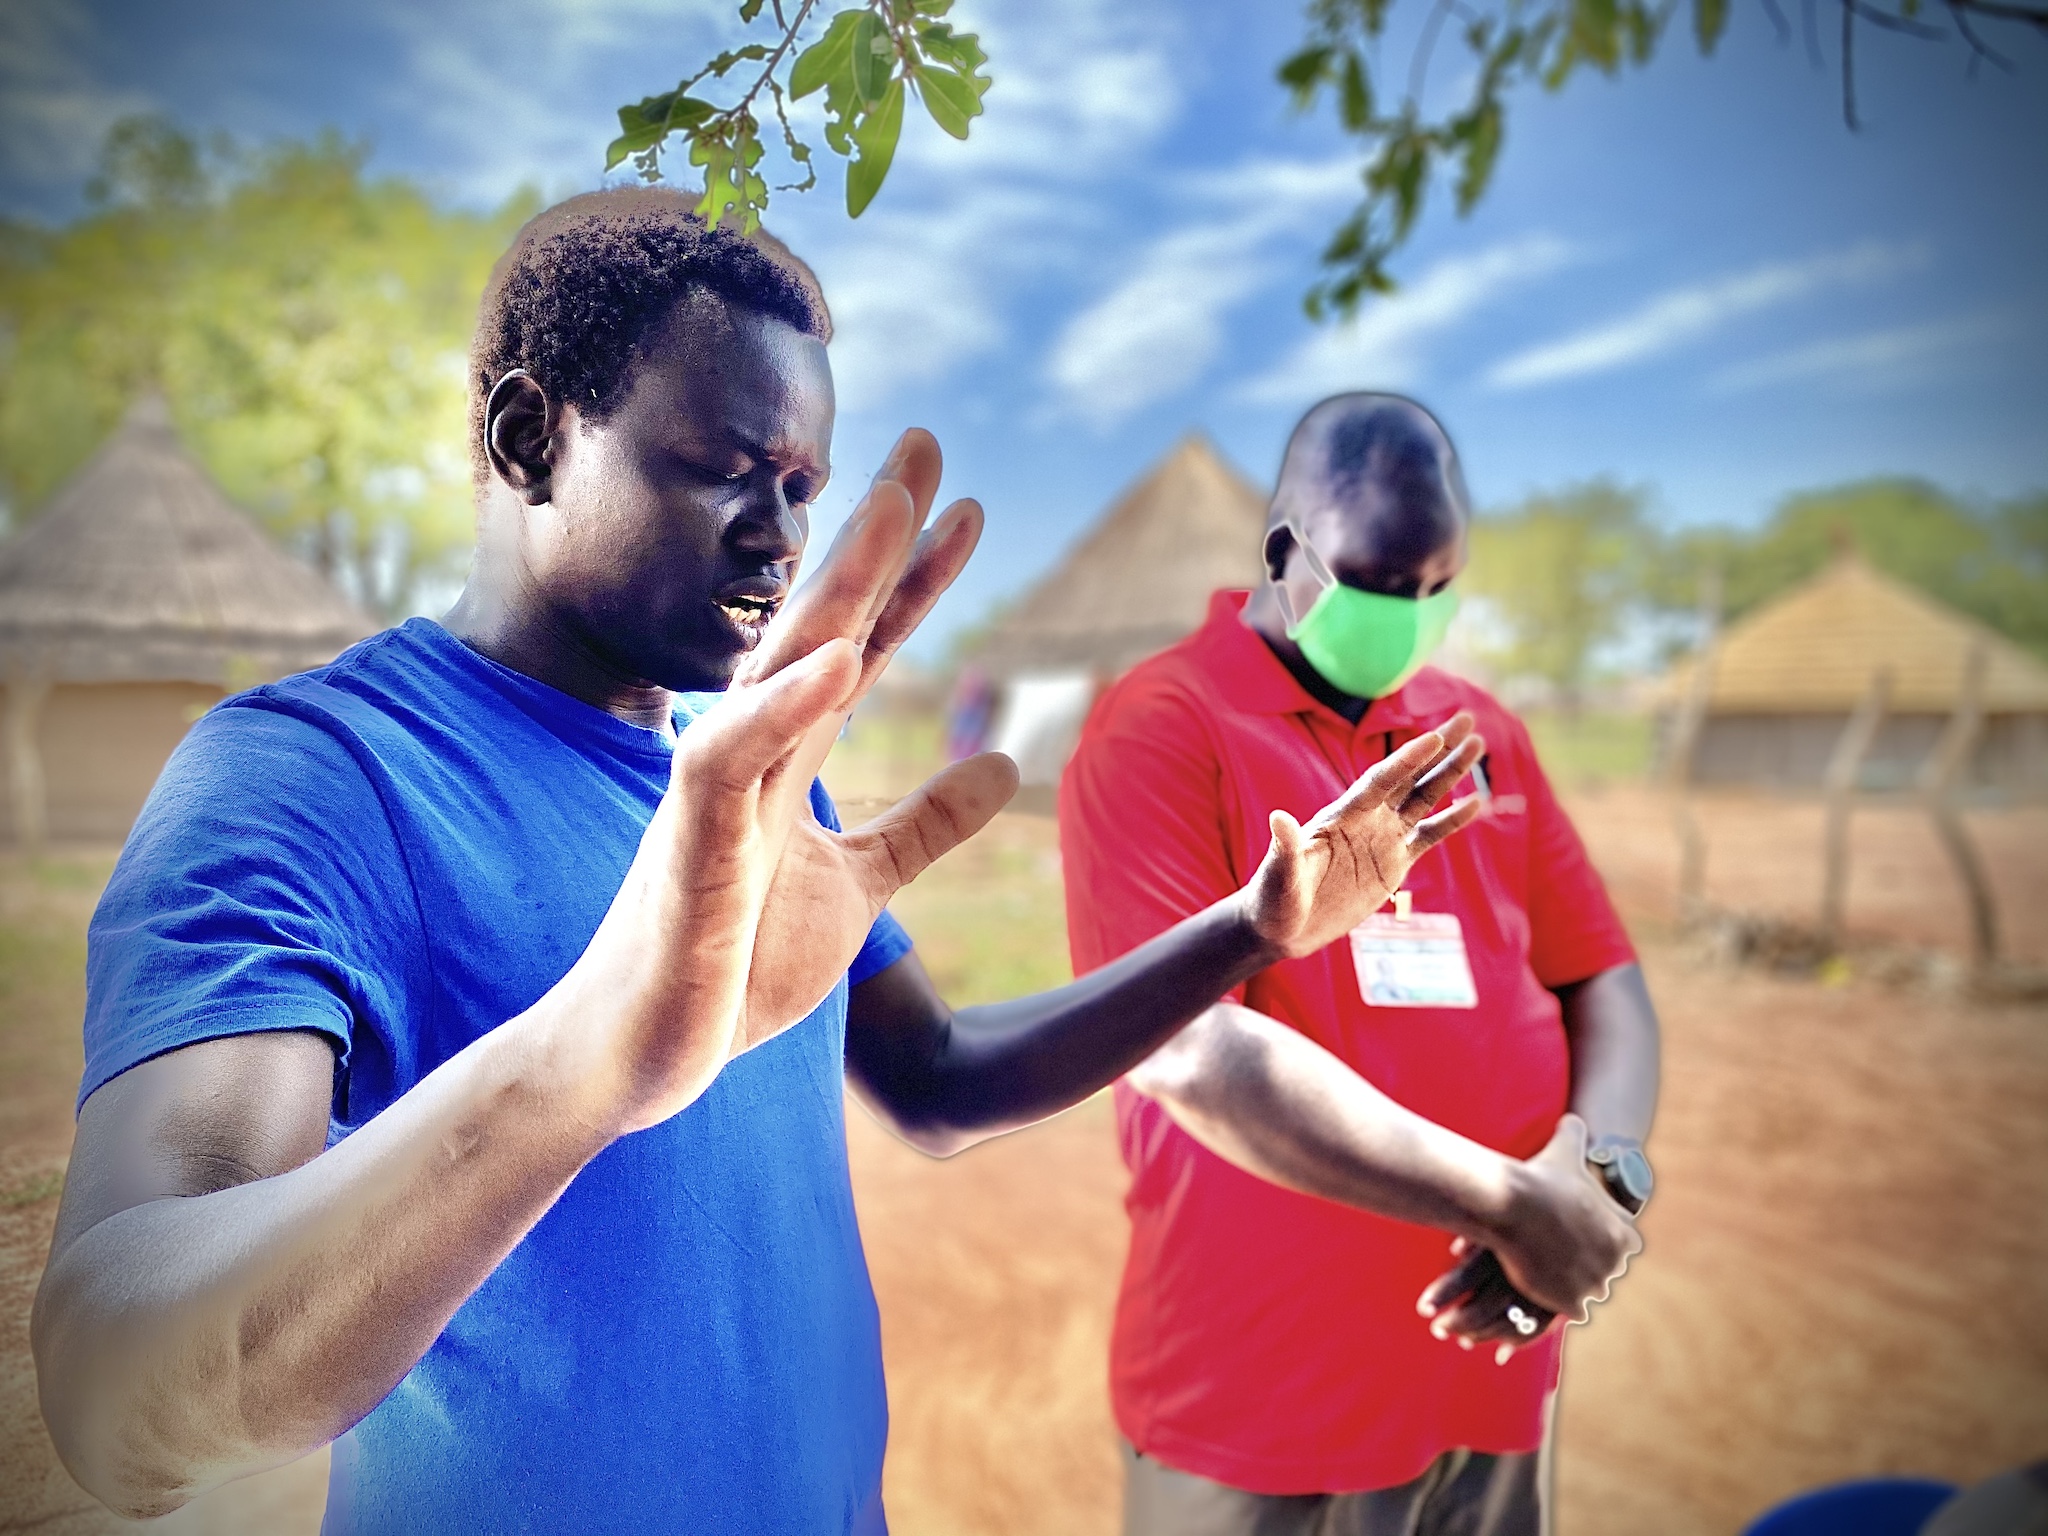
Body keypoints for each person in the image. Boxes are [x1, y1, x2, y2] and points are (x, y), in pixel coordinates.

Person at [31, 194, 1491, 1536]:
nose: (779, 535)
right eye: (724, 469)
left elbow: (944, 1081)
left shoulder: (749, 774)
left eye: (802, 483)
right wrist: (587, 1062)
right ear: (530, 438)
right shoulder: (313, 777)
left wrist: (1251, 925)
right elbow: (117, 1385)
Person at [1060, 394, 1660, 1536]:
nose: (1413, 615)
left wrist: (1594, 1170)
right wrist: (1513, 1210)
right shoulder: (1164, 728)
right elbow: (1188, 1052)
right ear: (1286, 552)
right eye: (1383, 584)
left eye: (1440, 588)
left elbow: (1603, 982)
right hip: (1257, 1403)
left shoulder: (1476, 731)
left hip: (1491, 1376)